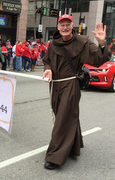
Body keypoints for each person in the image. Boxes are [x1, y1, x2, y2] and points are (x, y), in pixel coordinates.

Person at [42, 14, 111, 170]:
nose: (65, 28)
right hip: (55, 85)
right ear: (58, 27)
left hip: (70, 85)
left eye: (68, 24)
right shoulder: (53, 43)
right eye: (62, 25)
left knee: (63, 119)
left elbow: (99, 58)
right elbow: (47, 60)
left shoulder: (83, 42)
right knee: (64, 115)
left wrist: (101, 42)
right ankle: (74, 146)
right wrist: (48, 70)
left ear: (72, 26)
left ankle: (55, 156)